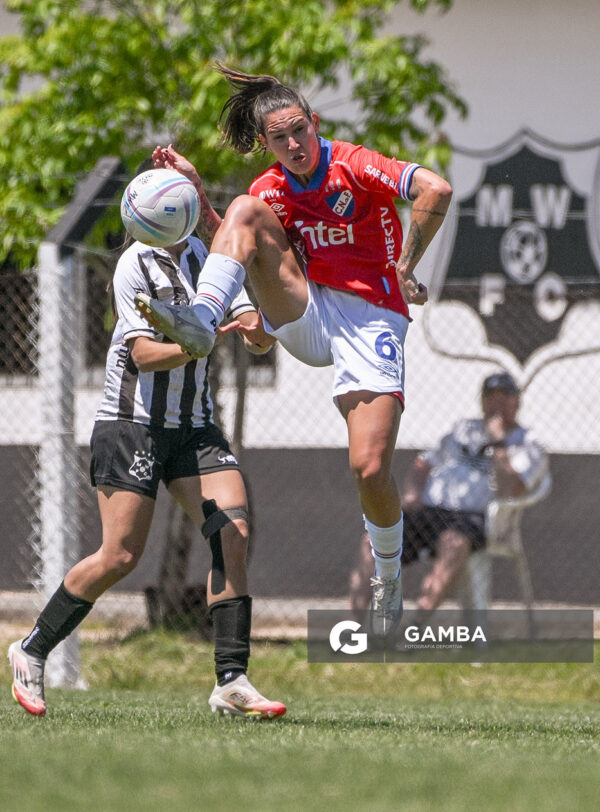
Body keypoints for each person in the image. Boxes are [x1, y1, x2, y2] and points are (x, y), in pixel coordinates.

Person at [134, 65, 453, 635]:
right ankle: (206, 319)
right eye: (279, 138)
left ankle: (387, 571)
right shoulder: (270, 188)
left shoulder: (353, 163)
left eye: (299, 130)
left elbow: (437, 188)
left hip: (371, 317)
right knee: (245, 210)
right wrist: (196, 189)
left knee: (370, 465)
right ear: (266, 143)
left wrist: (405, 267)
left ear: (315, 123)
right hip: (307, 312)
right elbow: (235, 236)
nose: (294, 144)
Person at [8, 170, 285, 720]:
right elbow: (141, 355)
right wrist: (192, 342)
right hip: (131, 423)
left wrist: (253, 325)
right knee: (120, 556)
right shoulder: (134, 264)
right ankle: (32, 649)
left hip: (194, 426)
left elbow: (246, 325)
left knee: (234, 530)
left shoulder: (203, 255)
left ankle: (232, 680)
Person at [349, 371, 550, 613]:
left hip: (473, 519)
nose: (496, 404)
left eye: (503, 397)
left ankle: (414, 630)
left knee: (452, 543)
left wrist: (498, 443)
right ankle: (354, 627)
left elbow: (513, 489)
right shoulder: (463, 429)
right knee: (373, 540)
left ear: (517, 402)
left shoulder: (528, 443)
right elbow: (423, 463)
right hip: (430, 511)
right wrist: (413, 492)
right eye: (490, 397)